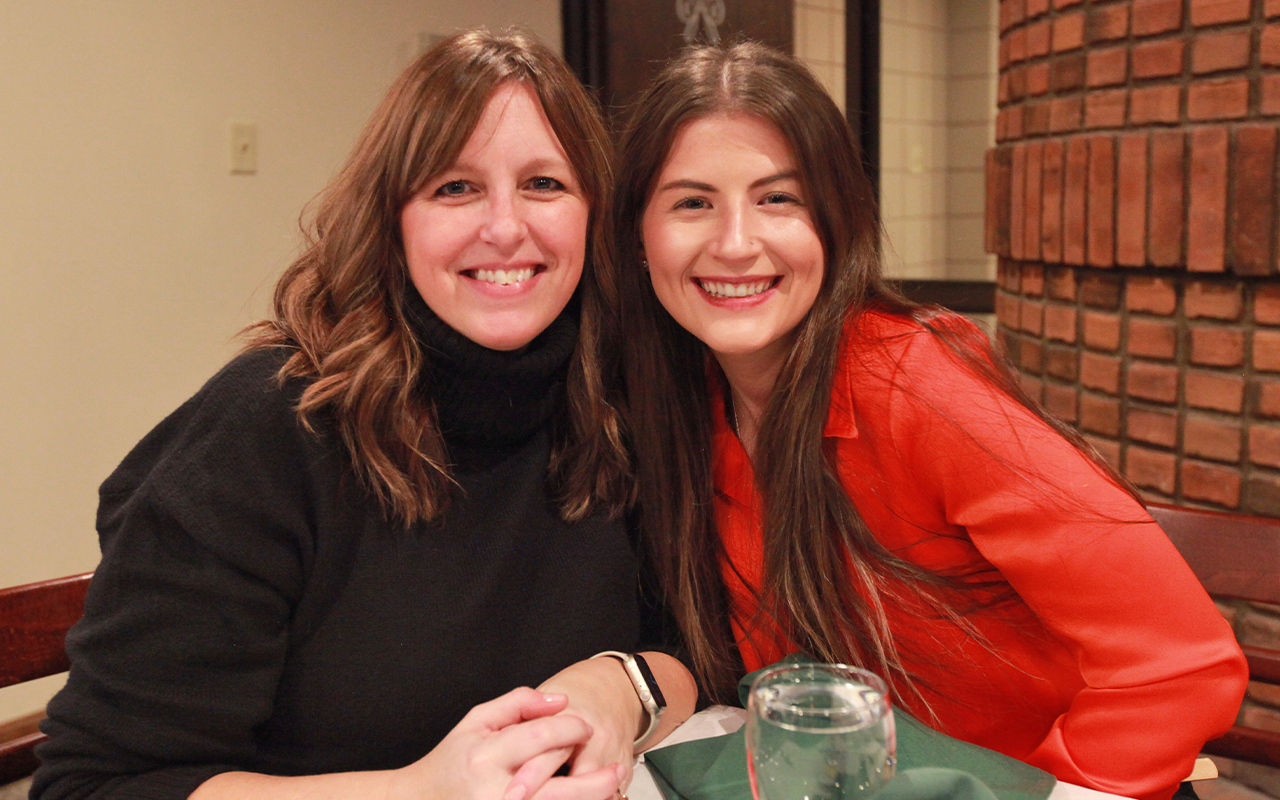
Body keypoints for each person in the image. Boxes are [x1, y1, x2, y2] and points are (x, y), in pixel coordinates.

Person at [33, 29, 694, 800]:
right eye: (455, 187)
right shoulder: (260, 434)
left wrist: (620, 686)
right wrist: (423, 791)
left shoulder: (618, 404)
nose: (507, 226)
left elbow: (690, 649)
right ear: (393, 220)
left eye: (545, 184)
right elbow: (96, 786)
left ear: (594, 216)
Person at [608, 41, 1246, 800]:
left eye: (778, 198)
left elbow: (1182, 662)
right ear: (640, 243)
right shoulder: (685, 404)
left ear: (836, 223)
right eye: (693, 202)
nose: (737, 243)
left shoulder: (914, 382)